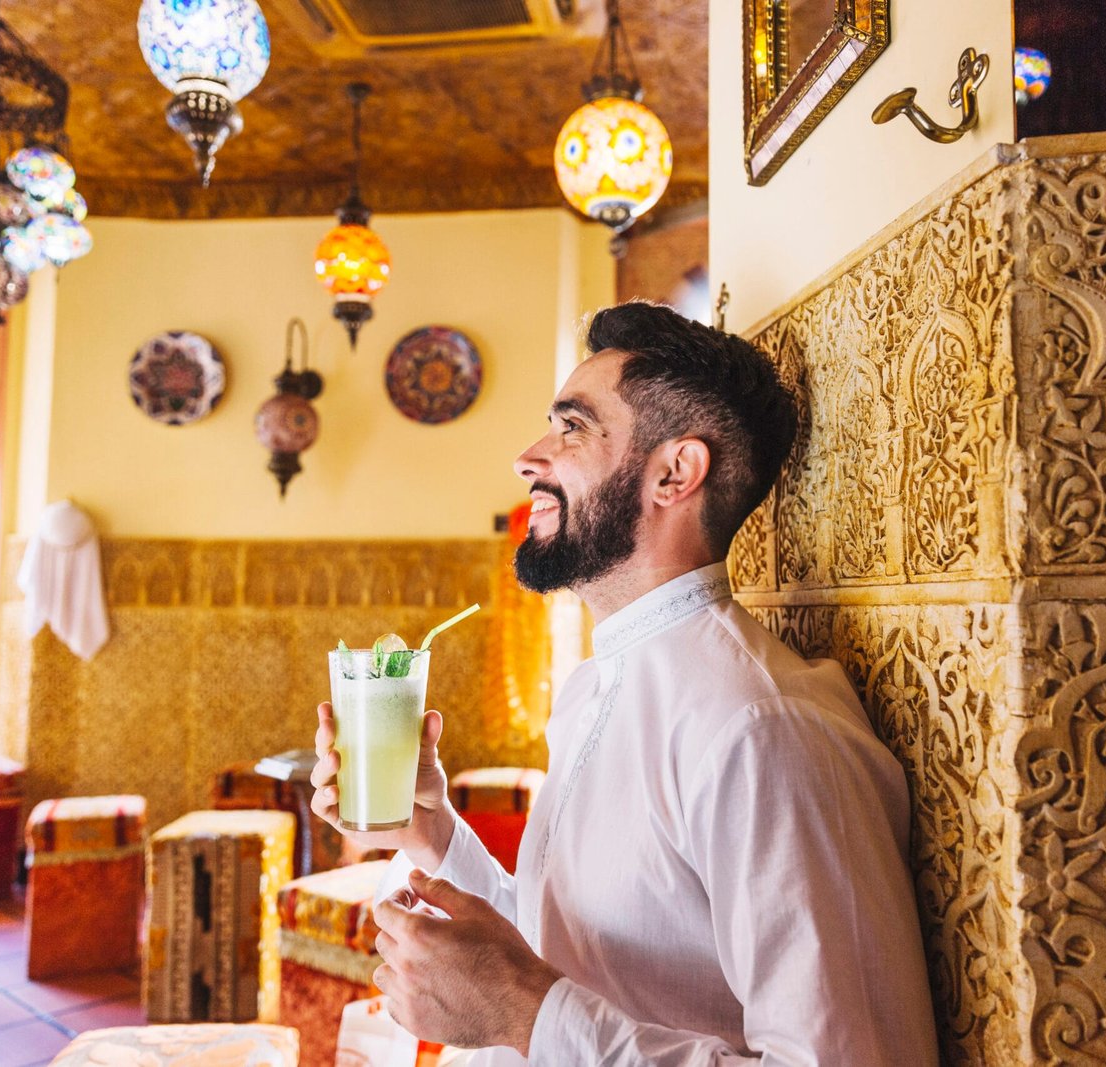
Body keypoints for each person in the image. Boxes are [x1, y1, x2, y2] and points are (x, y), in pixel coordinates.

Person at [310, 302, 938, 1065]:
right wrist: (431, 832)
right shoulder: (592, 689)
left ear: (675, 472)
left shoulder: (760, 730)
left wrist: (522, 1012)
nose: (529, 456)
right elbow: (580, 956)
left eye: (571, 427)